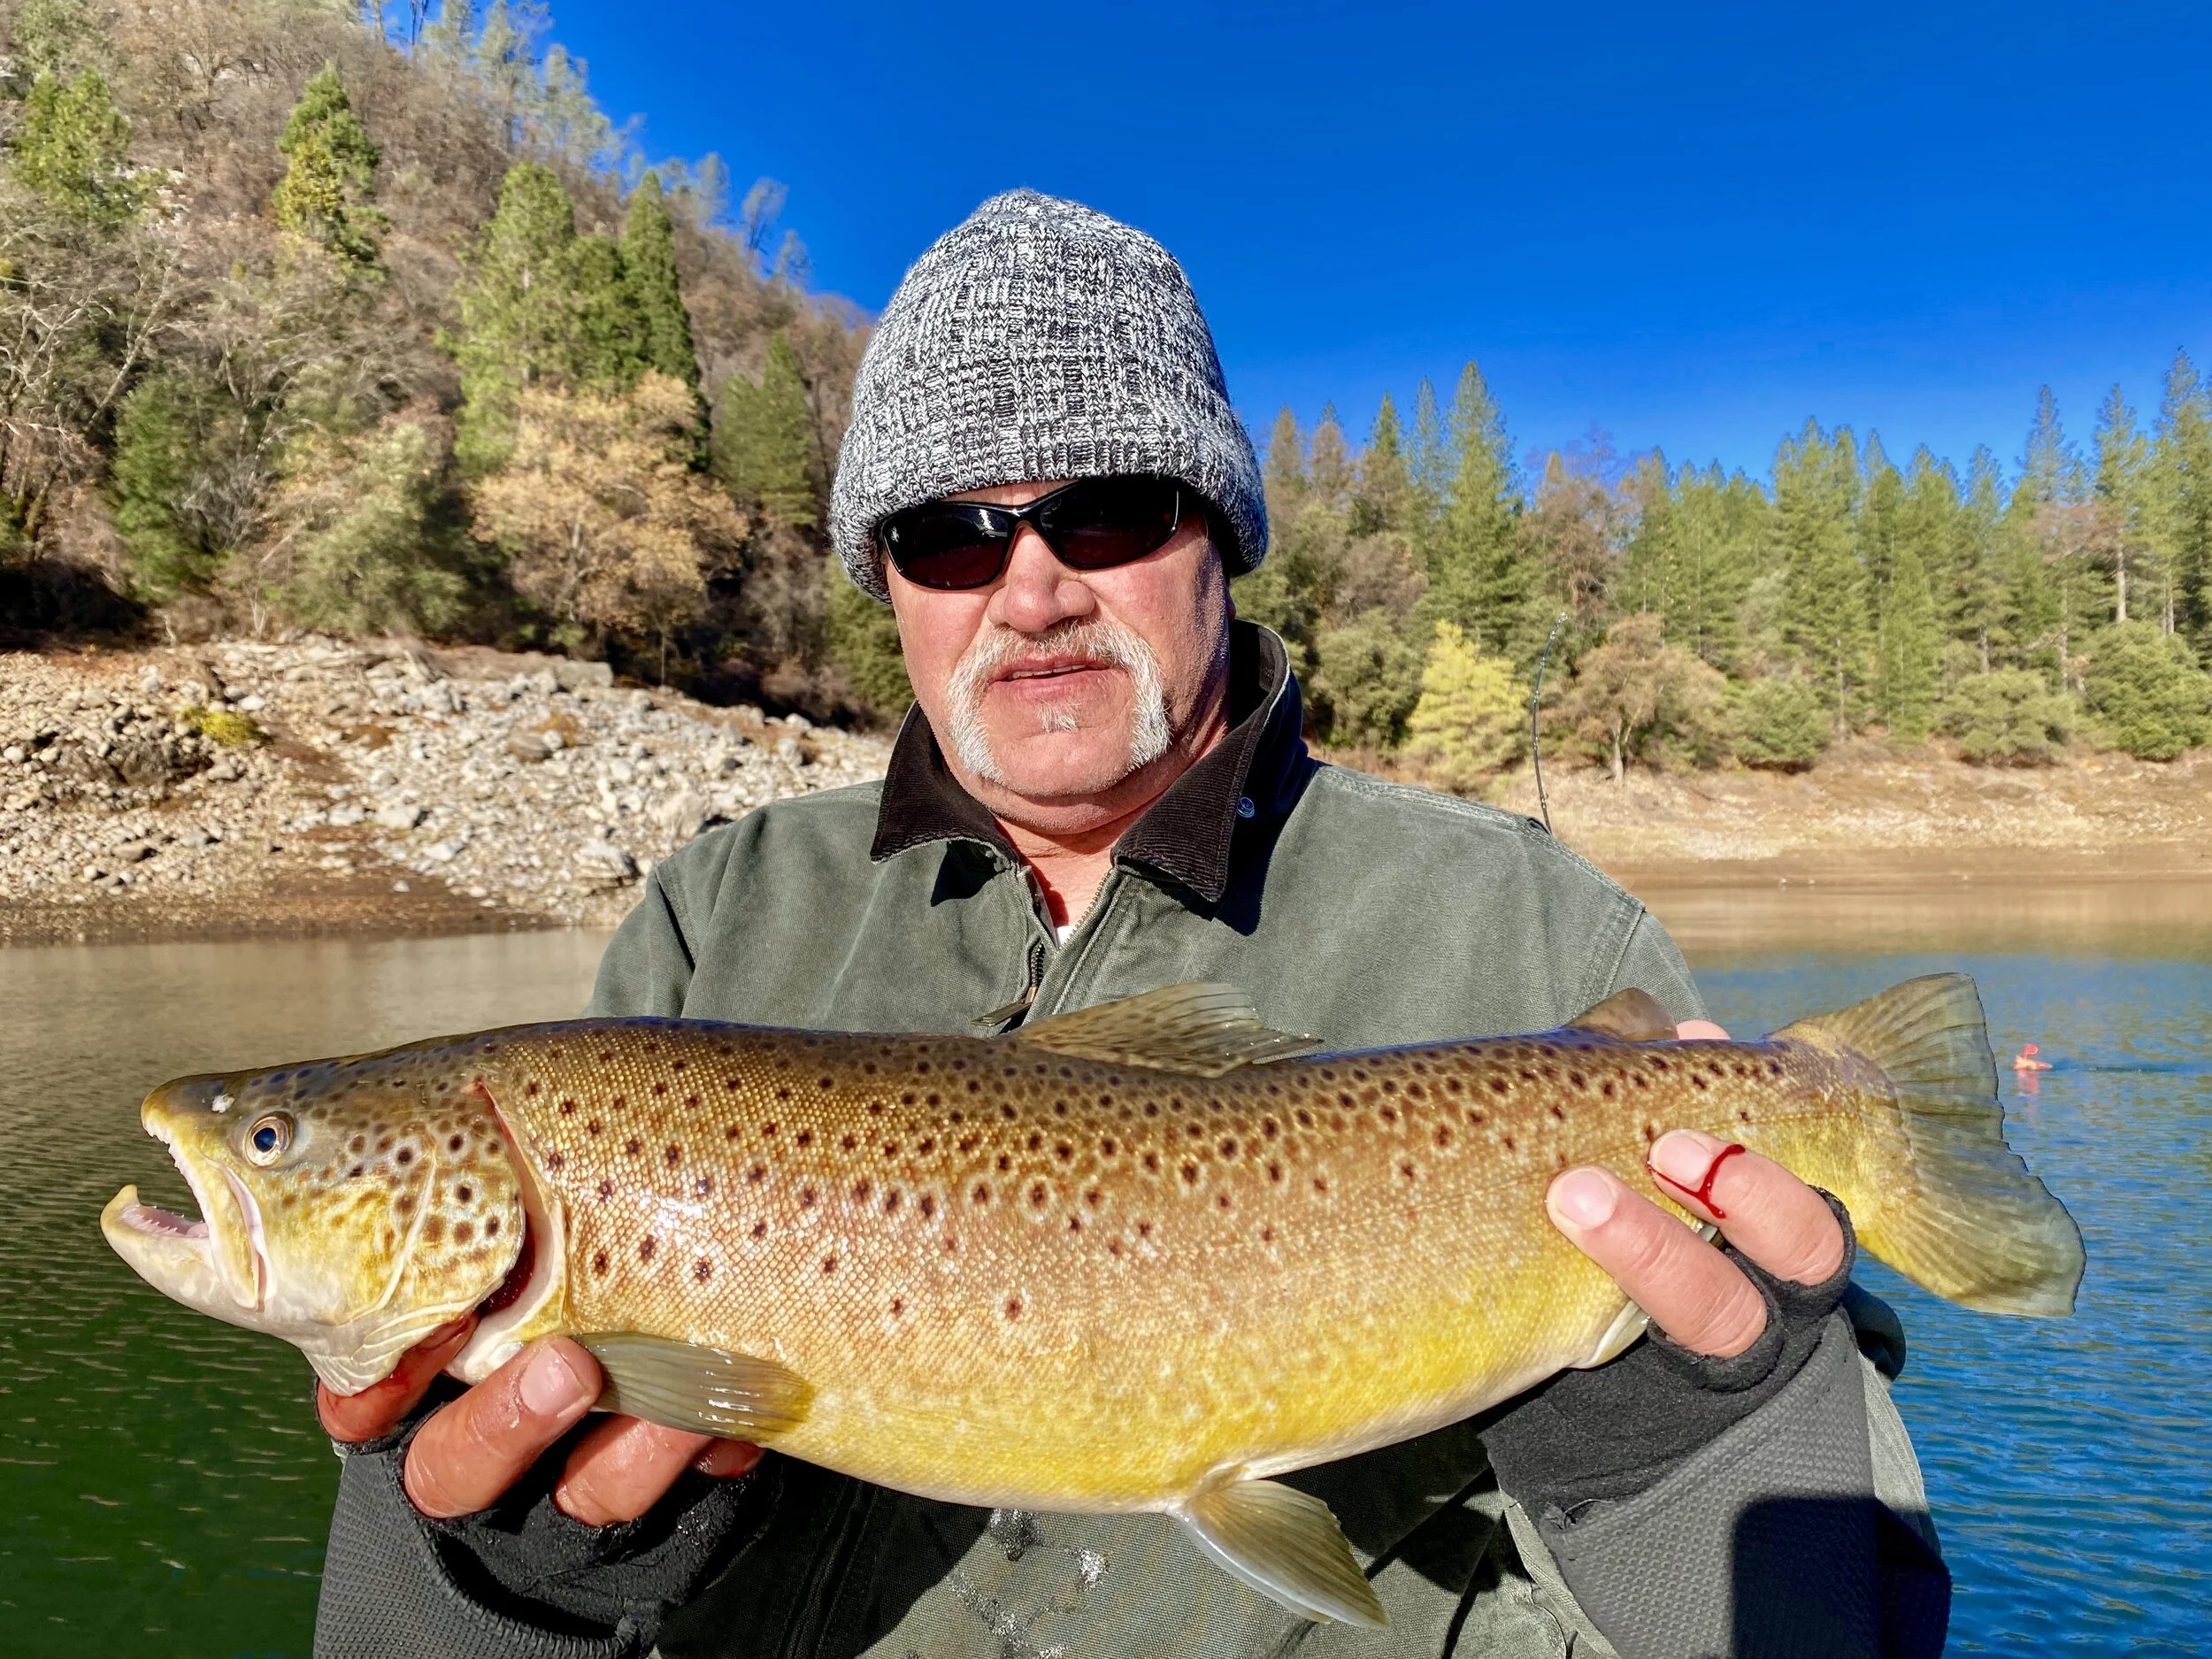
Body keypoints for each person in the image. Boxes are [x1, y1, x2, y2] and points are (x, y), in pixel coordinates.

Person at [312, 191, 1947, 1659]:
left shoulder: (1535, 934)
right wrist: (500, 1588)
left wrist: (1704, 1442)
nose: (1030, 590)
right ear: (887, 583)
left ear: (1217, 533)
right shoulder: (711, 924)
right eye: (948, 534)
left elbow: (1850, 1617)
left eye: (1104, 514)